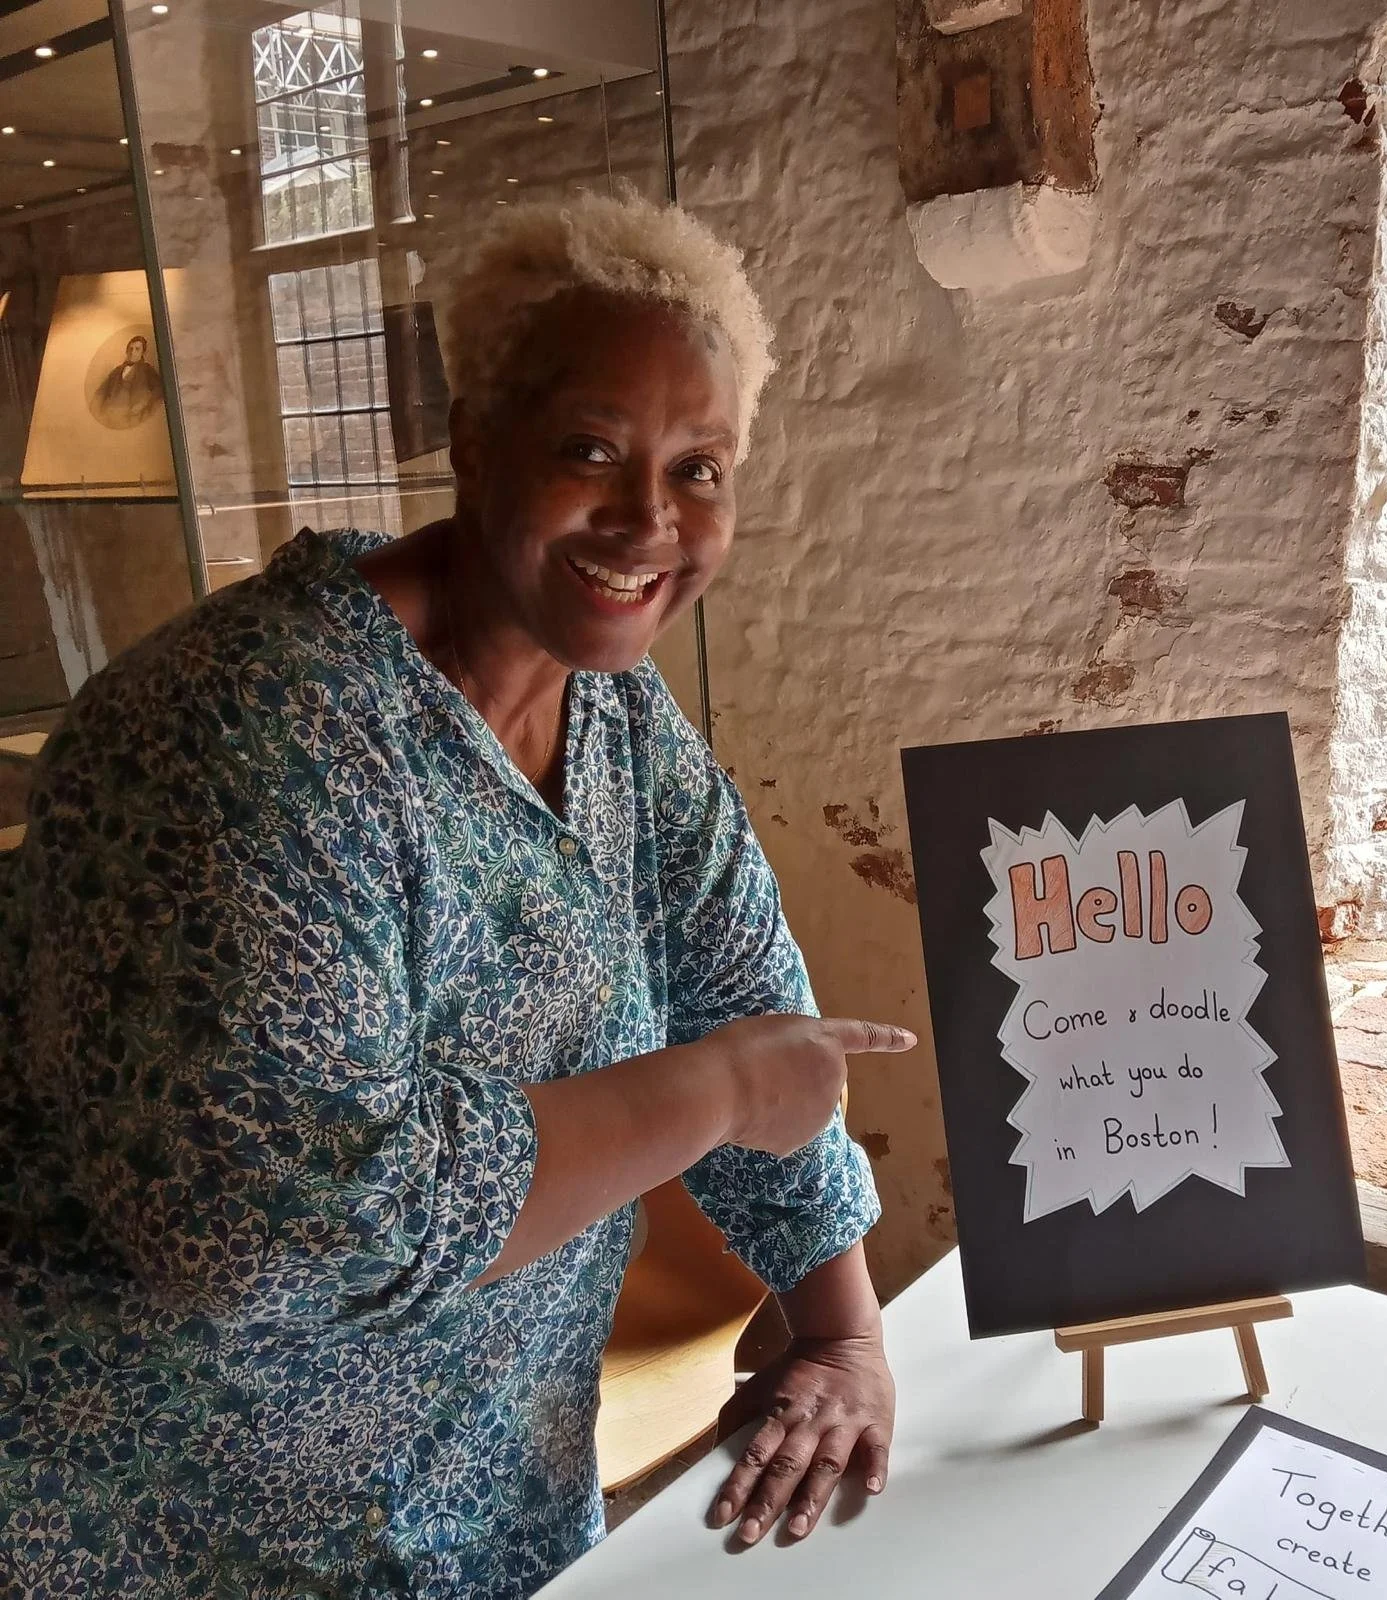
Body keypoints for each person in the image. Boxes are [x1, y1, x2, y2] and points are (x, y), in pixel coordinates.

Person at [0, 192, 916, 1597]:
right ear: (475, 439)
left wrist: (841, 1334)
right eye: (590, 450)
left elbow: (746, 996)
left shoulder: (615, 716)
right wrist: (716, 1091)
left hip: (494, 1491)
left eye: (700, 468)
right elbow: (293, 1233)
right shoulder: (246, 732)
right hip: (190, 1529)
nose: (650, 519)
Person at [89, 333, 163, 429]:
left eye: (137, 349)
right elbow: (101, 392)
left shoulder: (147, 369)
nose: (132, 352)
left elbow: (159, 390)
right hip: (109, 415)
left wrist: (143, 404)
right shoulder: (117, 371)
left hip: (132, 417)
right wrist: (96, 412)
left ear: (143, 353)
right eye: (130, 349)